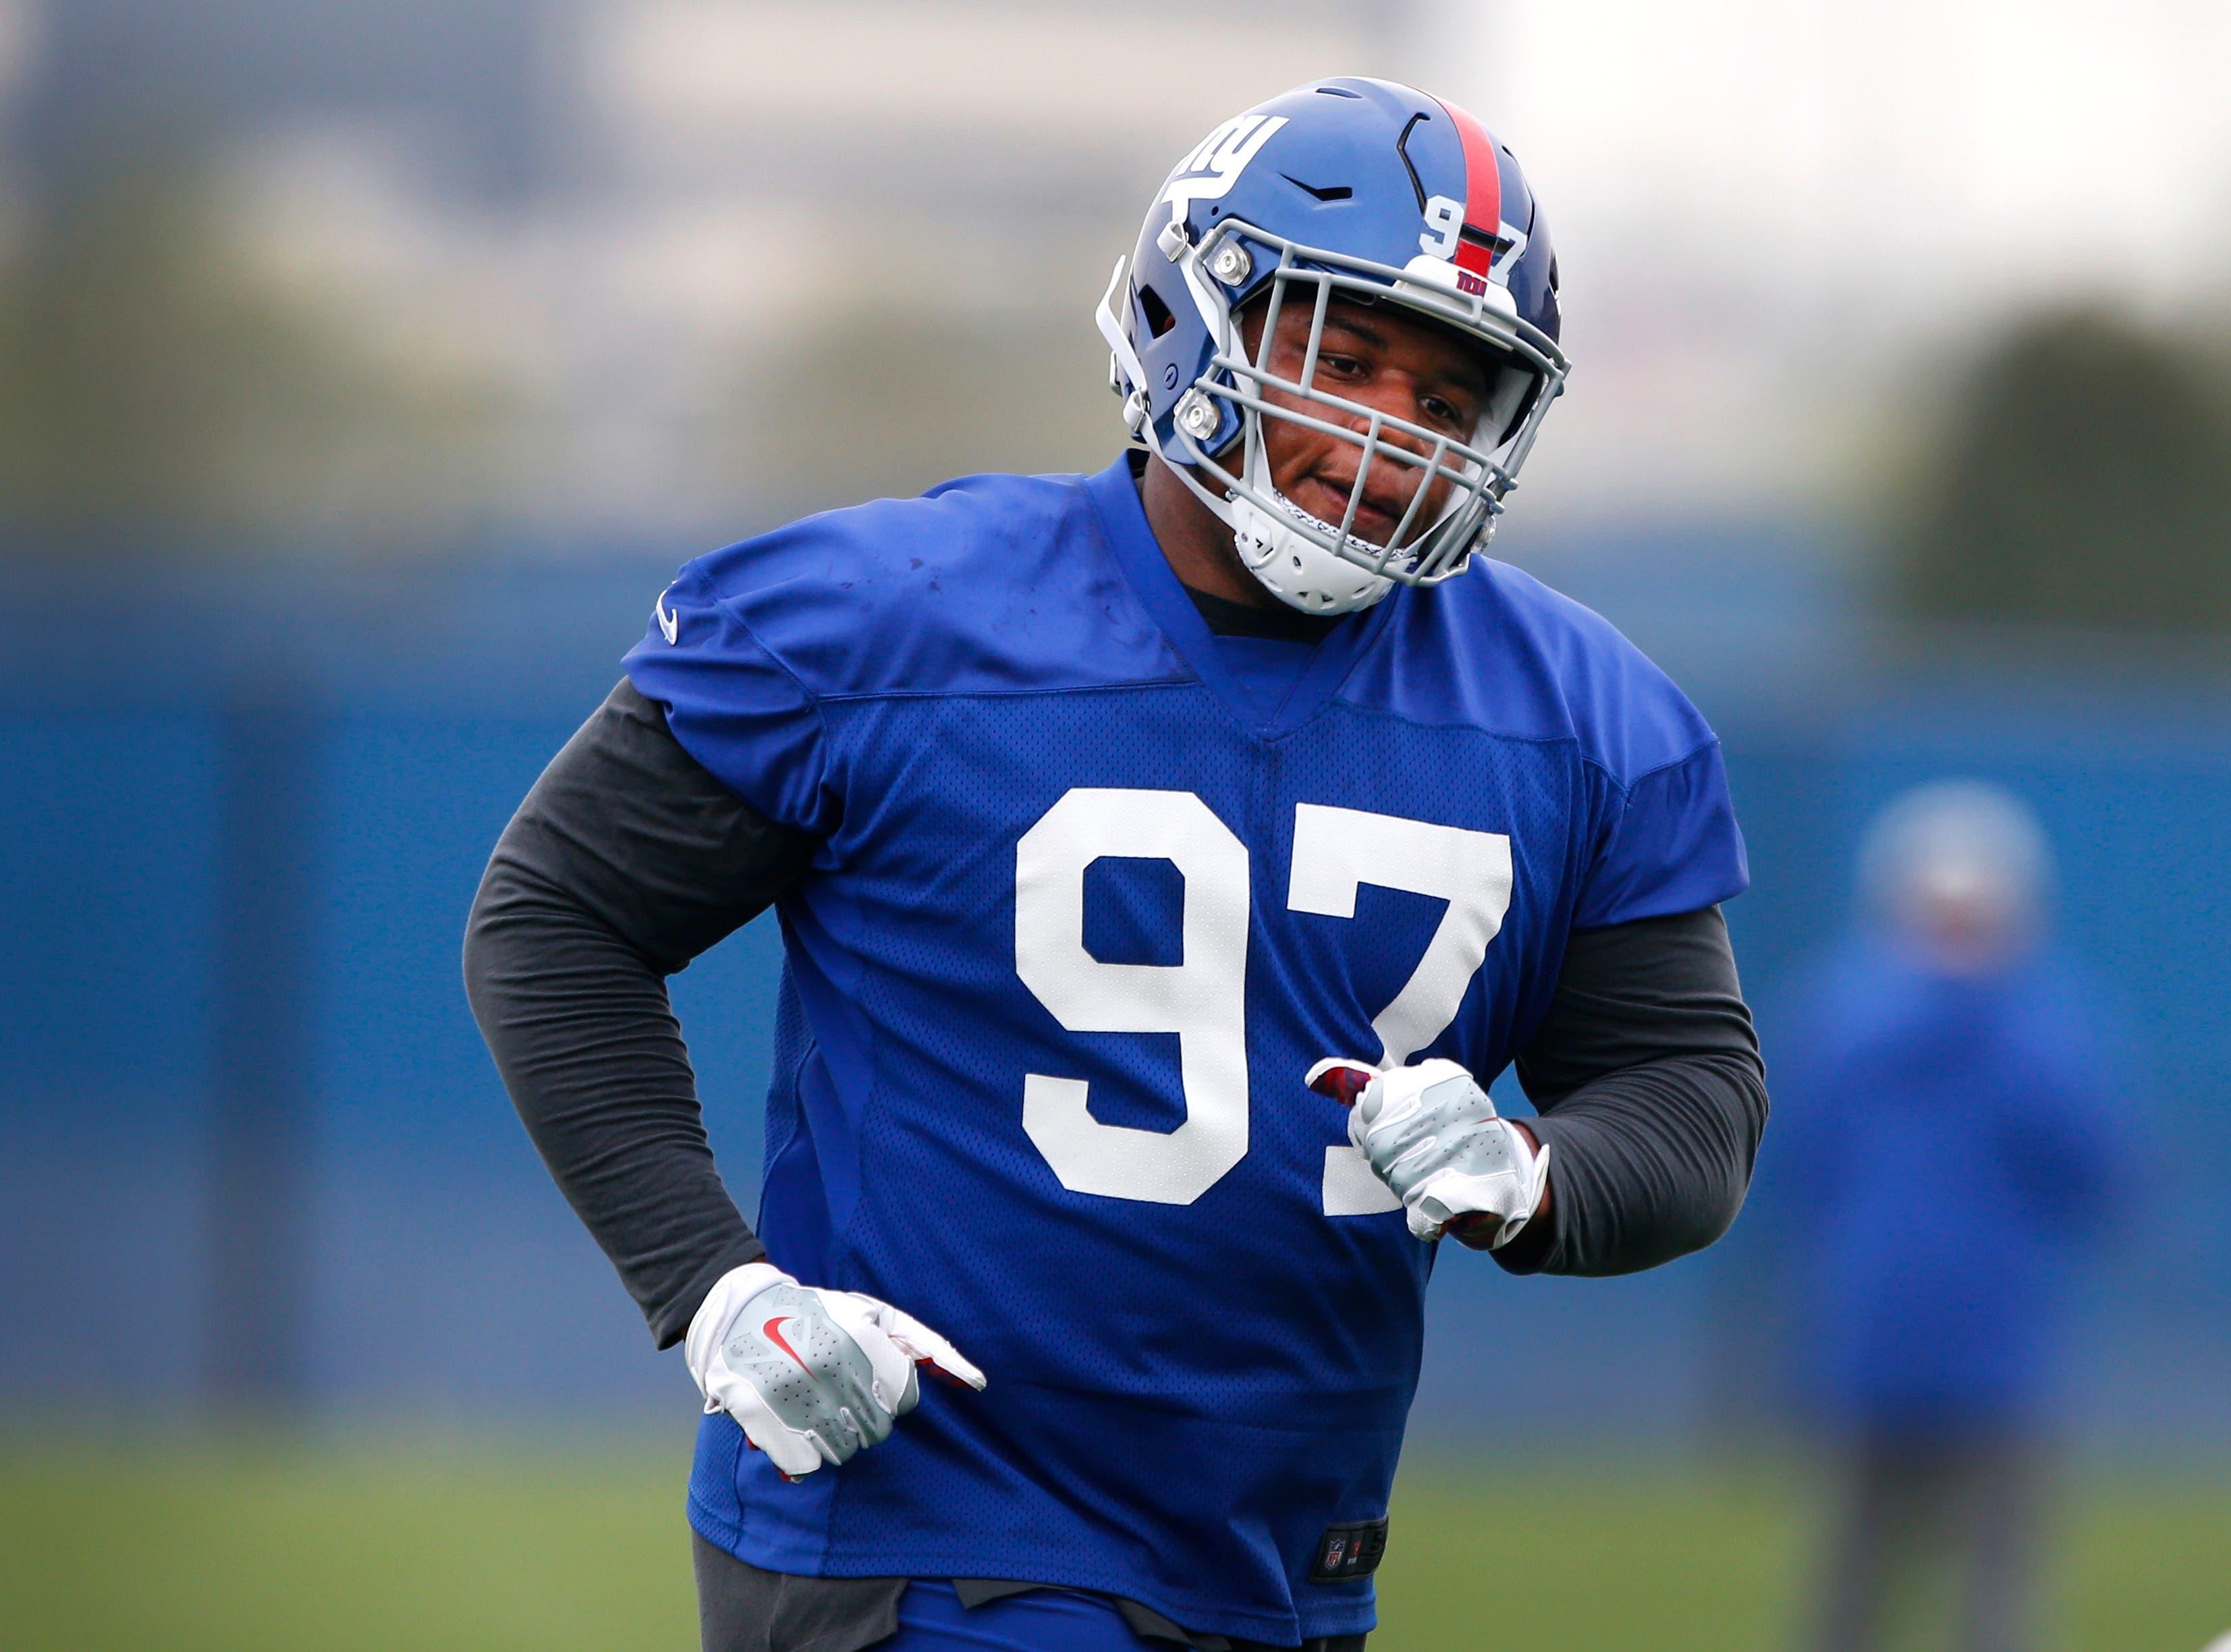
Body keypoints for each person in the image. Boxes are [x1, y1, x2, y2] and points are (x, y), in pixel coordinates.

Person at [466, 76, 1767, 1652]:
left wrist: (1542, 1173)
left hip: (1286, 1566)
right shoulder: (891, 613)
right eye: (1344, 360)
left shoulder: (1583, 720)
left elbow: (1690, 1097)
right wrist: (716, 1284)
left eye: (1442, 400)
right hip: (924, 1539)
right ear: (1191, 317)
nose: (1384, 436)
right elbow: (557, 916)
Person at [1774, 781, 2130, 1652]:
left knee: (1861, 1586)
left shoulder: (1834, 1017)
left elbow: (1789, 1170)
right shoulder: (2046, 1030)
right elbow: (2096, 1175)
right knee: (1979, 1595)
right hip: (1985, 1352)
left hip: (1883, 1340)